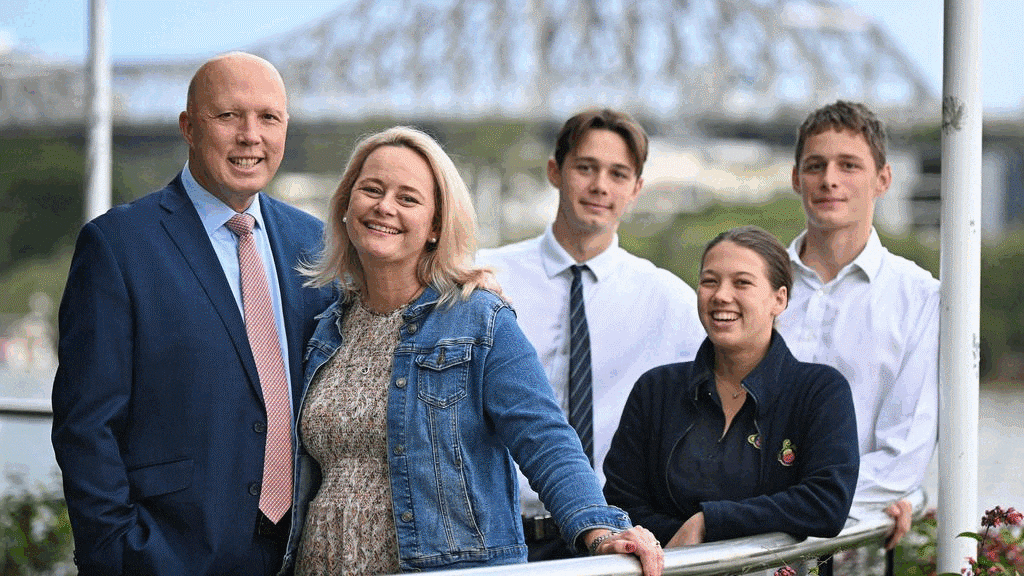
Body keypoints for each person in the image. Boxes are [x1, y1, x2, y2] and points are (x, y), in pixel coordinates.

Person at [278, 126, 664, 575]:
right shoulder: (327, 326)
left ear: (436, 226)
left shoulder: (479, 317)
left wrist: (600, 533)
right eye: (372, 190)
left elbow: (545, 438)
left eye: (408, 198)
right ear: (346, 204)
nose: (385, 207)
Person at [51, 52, 334, 575]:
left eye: (268, 118)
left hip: (300, 555)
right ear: (188, 127)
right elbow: (86, 427)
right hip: (167, 556)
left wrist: (457, 283)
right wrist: (120, 553)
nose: (251, 135)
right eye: (228, 116)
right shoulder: (117, 246)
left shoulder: (313, 242)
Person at [475, 108, 705, 559]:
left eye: (618, 174)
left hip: (616, 543)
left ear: (636, 188)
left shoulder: (670, 301)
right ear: (554, 172)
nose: (601, 186)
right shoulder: (486, 278)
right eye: (586, 168)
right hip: (499, 535)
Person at [603, 226, 859, 549]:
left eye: (742, 283)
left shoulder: (820, 392)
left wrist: (710, 522)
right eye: (710, 281)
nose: (721, 295)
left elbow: (826, 503)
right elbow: (619, 506)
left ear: (779, 299)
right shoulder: (655, 390)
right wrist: (685, 544)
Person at [775, 101, 940, 570]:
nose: (830, 180)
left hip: (856, 546)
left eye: (849, 165)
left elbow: (901, 457)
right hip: (747, 549)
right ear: (795, 178)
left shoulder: (921, 297)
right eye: (815, 166)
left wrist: (771, 507)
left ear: (882, 180)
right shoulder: (753, 285)